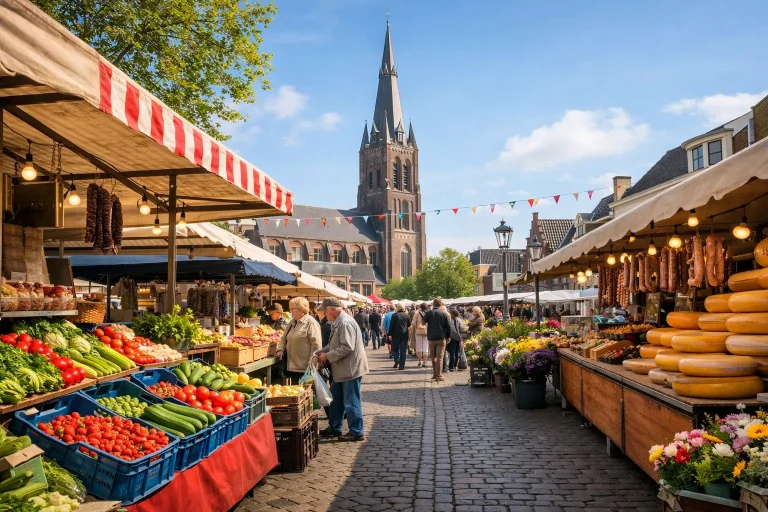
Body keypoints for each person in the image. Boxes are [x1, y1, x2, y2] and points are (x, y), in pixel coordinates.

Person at [317, 298, 369, 442]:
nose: (324, 313)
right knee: (335, 399)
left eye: (325, 310)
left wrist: (327, 355)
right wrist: (321, 351)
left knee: (351, 401)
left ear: (333, 309)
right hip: (341, 369)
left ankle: (356, 431)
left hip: (350, 369)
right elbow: (334, 344)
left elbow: (347, 347)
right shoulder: (337, 322)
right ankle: (335, 427)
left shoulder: (344, 322)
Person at [275, 297, 322, 383]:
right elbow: (283, 338)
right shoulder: (292, 322)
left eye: (292, 309)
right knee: (296, 392)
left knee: (306, 393)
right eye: (290, 309)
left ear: (301, 309)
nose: (290, 311)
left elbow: (316, 346)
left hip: (305, 369)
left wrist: (312, 365)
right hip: (292, 367)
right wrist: (280, 349)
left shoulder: (311, 323)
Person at [423, 298, 452, 381]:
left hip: (431, 338)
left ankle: (435, 374)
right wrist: (448, 336)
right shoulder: (444, 313)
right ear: (441, 305)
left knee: (433, 357)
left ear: (433, 304)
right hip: (441, 338)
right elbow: (448, 327)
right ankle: (438, 375)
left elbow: (422, 323)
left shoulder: (428, 313)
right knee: (439, 357)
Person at [387, 303, 411, 370]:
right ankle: (402, 366)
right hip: (404, 334)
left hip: (396, 334)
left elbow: (391, 325)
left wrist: (390, 334)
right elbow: (409, 325)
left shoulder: (394, 315)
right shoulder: (407, 315)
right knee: (403, 350)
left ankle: (397, 359)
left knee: (395, 348)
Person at [410, 303, 428, 368]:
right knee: (425, 347)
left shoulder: (417, 313)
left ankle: (420, 361)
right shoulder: (429, 313)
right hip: (426, 332)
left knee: (419, 348)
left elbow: (413, 323)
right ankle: (425, 362)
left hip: (418, 332)